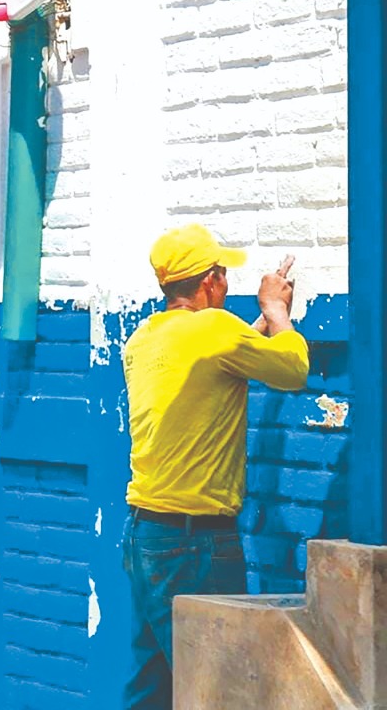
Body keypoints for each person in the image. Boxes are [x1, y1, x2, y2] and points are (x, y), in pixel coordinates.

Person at [121, 223, 310, 709]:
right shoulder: (215, 330)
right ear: (209, 281)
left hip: (146, 537)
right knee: (219, 687)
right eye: (223, 274)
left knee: (154, 681)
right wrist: (276, 311)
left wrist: (256, 332)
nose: (227, 284)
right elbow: (292, 370)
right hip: (196, 543)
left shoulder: (143, 339)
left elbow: (214, 366)